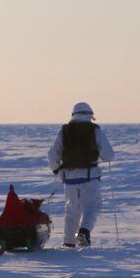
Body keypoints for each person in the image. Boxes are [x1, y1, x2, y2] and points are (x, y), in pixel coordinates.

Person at [48, 100, 114, 247]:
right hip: (90, 176)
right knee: (93, 207)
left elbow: (52, 154)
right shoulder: (95, 130)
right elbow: (109, 155)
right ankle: (84, 232)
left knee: (72, 209)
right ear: (90, 115)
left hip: (69, 177)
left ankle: (69, 242)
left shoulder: (64, 131)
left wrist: (58, 171)